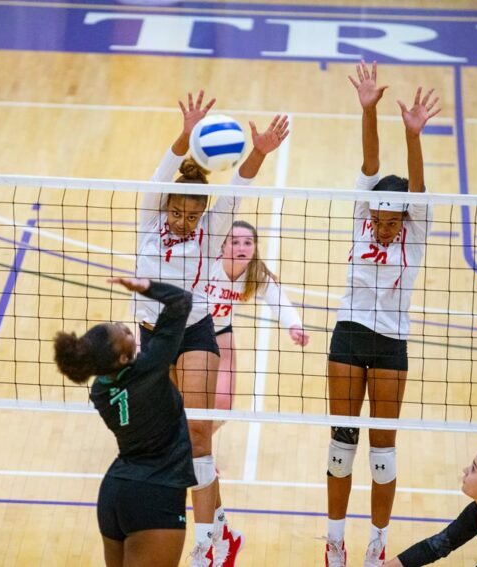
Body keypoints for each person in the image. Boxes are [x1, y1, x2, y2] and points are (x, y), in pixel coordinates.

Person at [136, 90, 289, 566]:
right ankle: (224, 529)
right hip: (152, 336)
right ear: (166, 207)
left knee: (198, 435)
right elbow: (164, 171)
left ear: (203, 214)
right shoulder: (148, 215)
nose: (183, 221)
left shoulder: (209, 225)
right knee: (173, 441)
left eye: (192, 215)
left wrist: (259, 150)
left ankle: (206, 546)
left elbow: (240, 184)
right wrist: (186, 133)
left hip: (197, 331)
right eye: (177, 213)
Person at [325, 61, 440, 567]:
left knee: (383, 451)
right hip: (348, 335)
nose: (387, 227)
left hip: (392, 344)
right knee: (341, 445)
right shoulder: (362, 214)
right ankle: (334, 541)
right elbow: (370, 165)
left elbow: (414, 186)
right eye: (382, 219)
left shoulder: (415, 228)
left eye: (395, 220)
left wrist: (412, 135)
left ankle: (376, 542)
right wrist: (369, 110)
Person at [53, 278, 195, 567]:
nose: (127, 328)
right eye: (123, 333)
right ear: (121, 357)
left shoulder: (101, 390)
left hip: (116, 495)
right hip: (155, 494)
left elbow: (120, 375)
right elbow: (181, 302)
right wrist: (144, 287)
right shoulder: (149, 369)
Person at [201, 220, 310, 413]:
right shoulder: (207, 265)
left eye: (248, 242)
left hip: (220, 332)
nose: (241, 248)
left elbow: (280, 301)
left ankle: (194, 441)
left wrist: (295, 326)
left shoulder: (256, 275)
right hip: (189, 330)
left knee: (223, 406)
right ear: (223, 245)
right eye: (234, 242)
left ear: (255, 247)